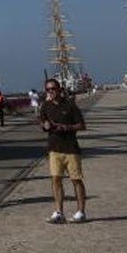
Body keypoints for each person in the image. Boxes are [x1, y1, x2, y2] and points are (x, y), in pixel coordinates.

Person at [38, 78, 88, 223]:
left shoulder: (70, 105)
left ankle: (81, 211)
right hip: (54, 148)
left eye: (53, 89)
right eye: (48, 89)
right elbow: (42, 121)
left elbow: (82, 125)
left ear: (59, 89)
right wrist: (45, 125)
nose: (51, 92)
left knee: (76, 180)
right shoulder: (45, 106)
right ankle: (58, 212)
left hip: (71, 148)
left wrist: (66, 127)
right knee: (56, 179)